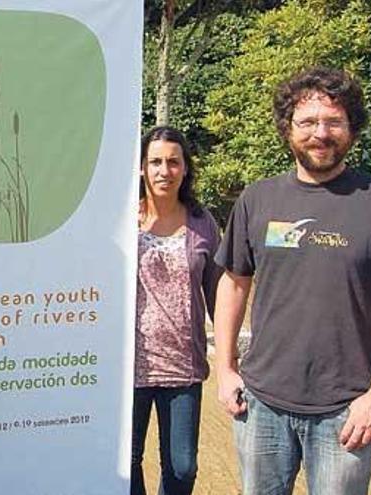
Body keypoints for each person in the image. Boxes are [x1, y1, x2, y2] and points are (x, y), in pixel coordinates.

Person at [214, 67, 371, 495]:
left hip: (347, 409)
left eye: (334, 121)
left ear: (352, 128)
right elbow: (234, 283)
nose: (321, 133)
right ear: (287, 129)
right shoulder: (258, 198)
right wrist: (225, 368)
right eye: (308, 122)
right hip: (260, 404)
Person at [131, 126, 221, 495]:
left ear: (185, 169)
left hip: (182, 367)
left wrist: (231, 358)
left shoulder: (203, 224)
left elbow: (219, 293)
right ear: (140, 168)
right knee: (123, 462)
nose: (163, 170)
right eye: (154, 162)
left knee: (182, 467)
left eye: (172, 162)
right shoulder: (120, 219)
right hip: (129, 369)